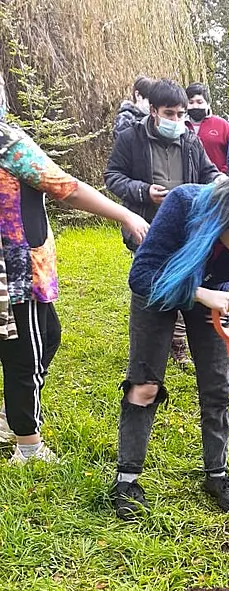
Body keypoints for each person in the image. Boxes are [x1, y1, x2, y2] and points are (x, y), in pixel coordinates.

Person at [0, 80, 148, 462]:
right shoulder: (8, 144)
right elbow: (68, 188)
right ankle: (27, 444)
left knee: (47, 338)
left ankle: (16, 415)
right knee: (25, 357)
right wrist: (126, 214)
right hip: (16, 274)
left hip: (23, 268)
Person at [109, 175, 229, 520]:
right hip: (159, 289)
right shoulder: (183, 204)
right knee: (145, 386)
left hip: (212, 297)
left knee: (218, 387)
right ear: (217, 223)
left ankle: (217, 476)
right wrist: (198, 293)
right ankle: (127, 481)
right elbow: (141, 275)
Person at [105, 78, 220, 368]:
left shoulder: (191, 140)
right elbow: (113, 177)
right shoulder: (131, 138)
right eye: (170, 114)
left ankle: (180, 345)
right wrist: (144, 191)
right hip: (146, 228)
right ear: (154, 111)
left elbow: (209, 172)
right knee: (151, 286)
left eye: (181, 114)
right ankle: (150, 350)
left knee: (185, 280)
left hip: (187, 231)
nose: (177, 120)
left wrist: (221, 182)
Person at [185, 82, 229, 174]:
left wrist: (224, 173)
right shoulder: (180, 126)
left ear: (208, 103)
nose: (195, 106)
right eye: (191, 102)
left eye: (199, 102)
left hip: (217, 181)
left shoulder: (223, 125)